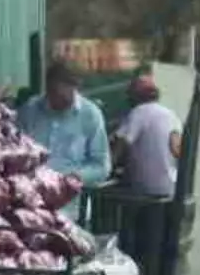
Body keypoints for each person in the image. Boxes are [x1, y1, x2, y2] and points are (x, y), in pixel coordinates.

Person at [17, 60, 111, 188]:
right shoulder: (29, 111)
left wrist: (74, 178)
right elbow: (15, 152)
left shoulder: (91, 115)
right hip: (32, 195)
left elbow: (101, 167)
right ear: (48, 87)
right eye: (54, 94)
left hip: (72, 201)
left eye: (65, 97)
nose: (57, 101)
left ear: (76, 87)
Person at [114, 72, 183, 200]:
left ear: (135, 96)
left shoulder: (138, 112)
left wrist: (109, 166)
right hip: (171, 188)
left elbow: (122, 143)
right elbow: (177, 150)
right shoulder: (172, 115)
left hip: (145, 189)